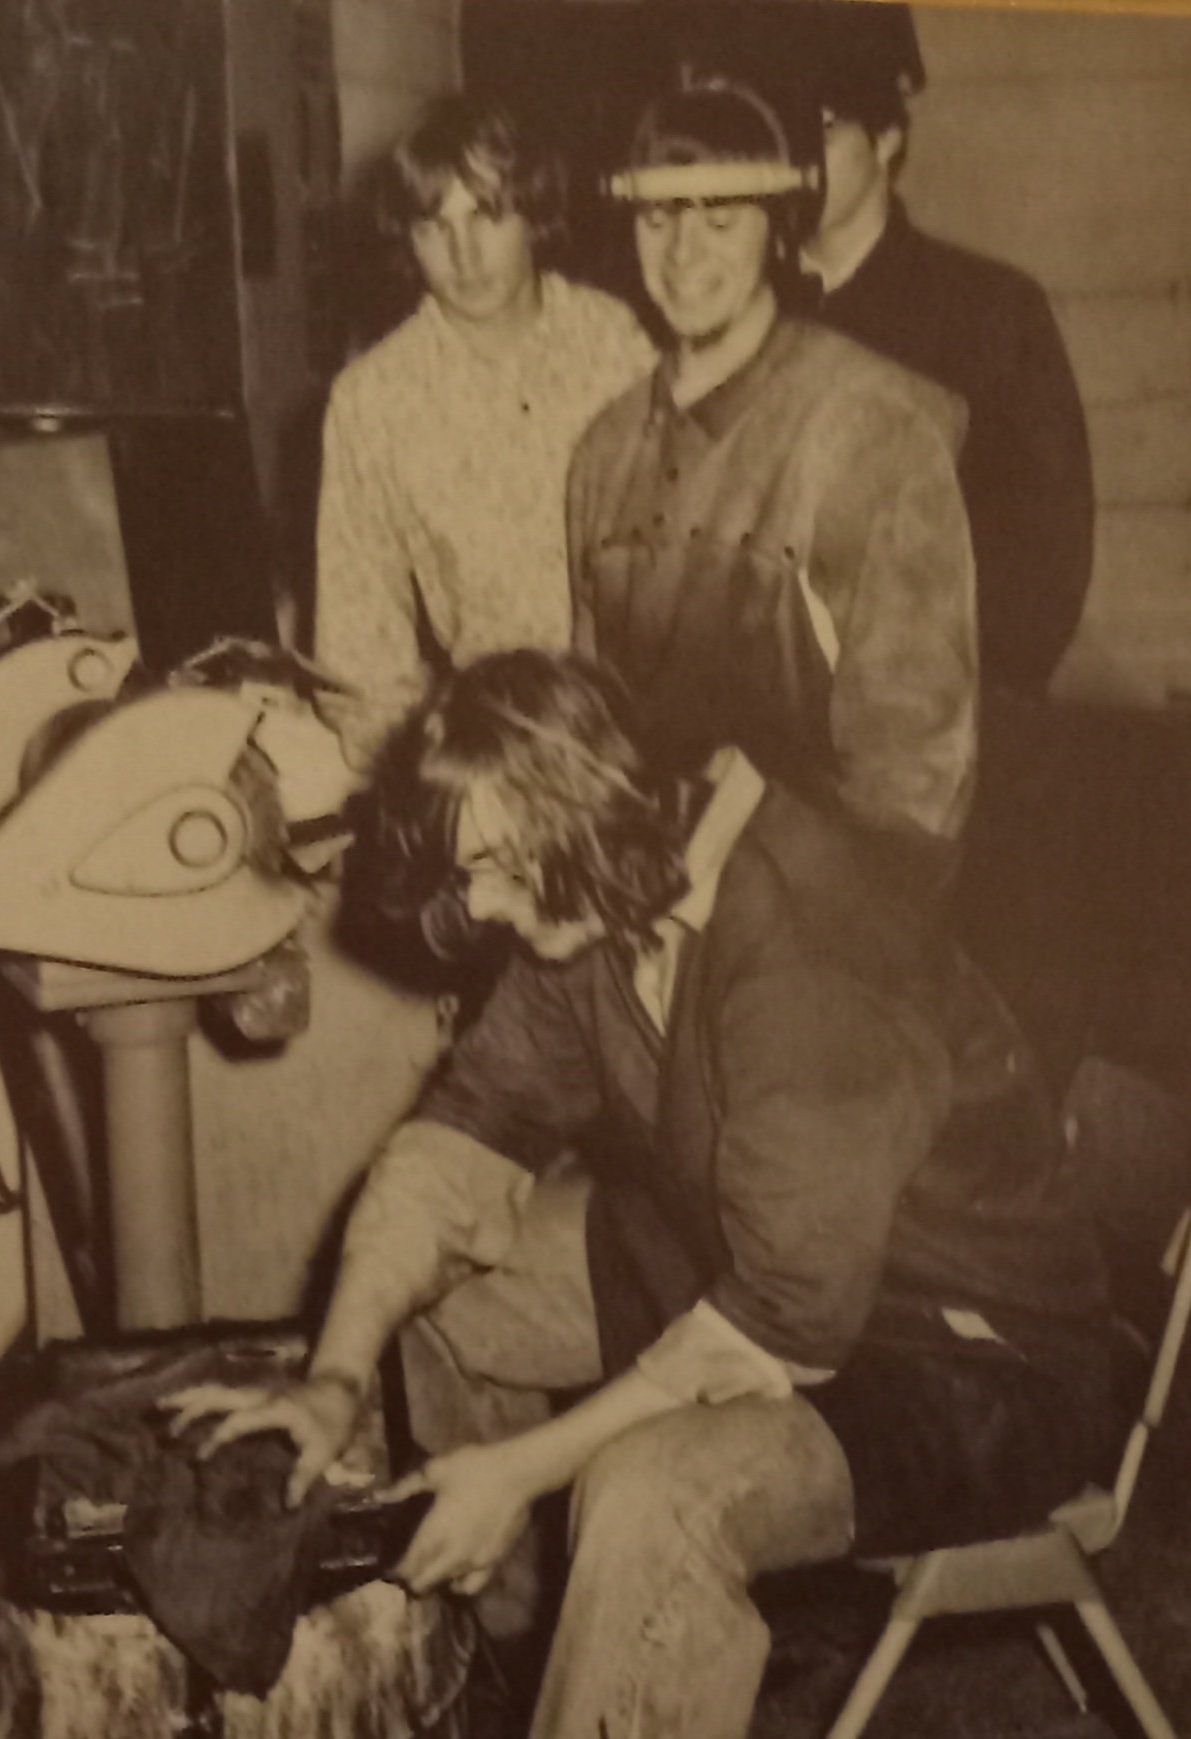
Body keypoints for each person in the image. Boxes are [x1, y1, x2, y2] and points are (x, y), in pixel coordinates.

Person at [164, 649, 1114, 1739]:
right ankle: (536, 1670)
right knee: (439, 1305)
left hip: (969, 1361)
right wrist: (332, 1375)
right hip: (750, 1260)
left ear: (579, 810)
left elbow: (785, 1316)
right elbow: (462, 1132)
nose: (476, 903)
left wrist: (523, 1467)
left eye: (491, 866)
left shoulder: (808, 946)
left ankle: (599, 1658)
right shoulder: (604, 887)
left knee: (649, 1492)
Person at [567, 71, 977, 886]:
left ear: (780, 231)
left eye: (721, 220)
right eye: (658, 219)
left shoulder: (869, 430)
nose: (685, 254)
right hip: (635, 893)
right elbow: (589, 720)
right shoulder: (604, 451)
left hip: (815, 923)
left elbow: (914, 779)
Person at [313, 95, 655, 768]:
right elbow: (360, 645)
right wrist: (424, 785)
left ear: (532, 213)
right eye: (433, 227)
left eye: (485, 215)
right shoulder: (374, 399)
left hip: (644, 731)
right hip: (492, 752)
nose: (463, 254)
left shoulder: (619, 347)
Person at [794, 2, 1095, 694]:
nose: (803, 165)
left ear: (888, 138)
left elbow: (1044, 561)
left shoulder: (992, 313)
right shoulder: (744, 312)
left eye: (827, 132)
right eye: (788, 138)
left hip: (944, 722)